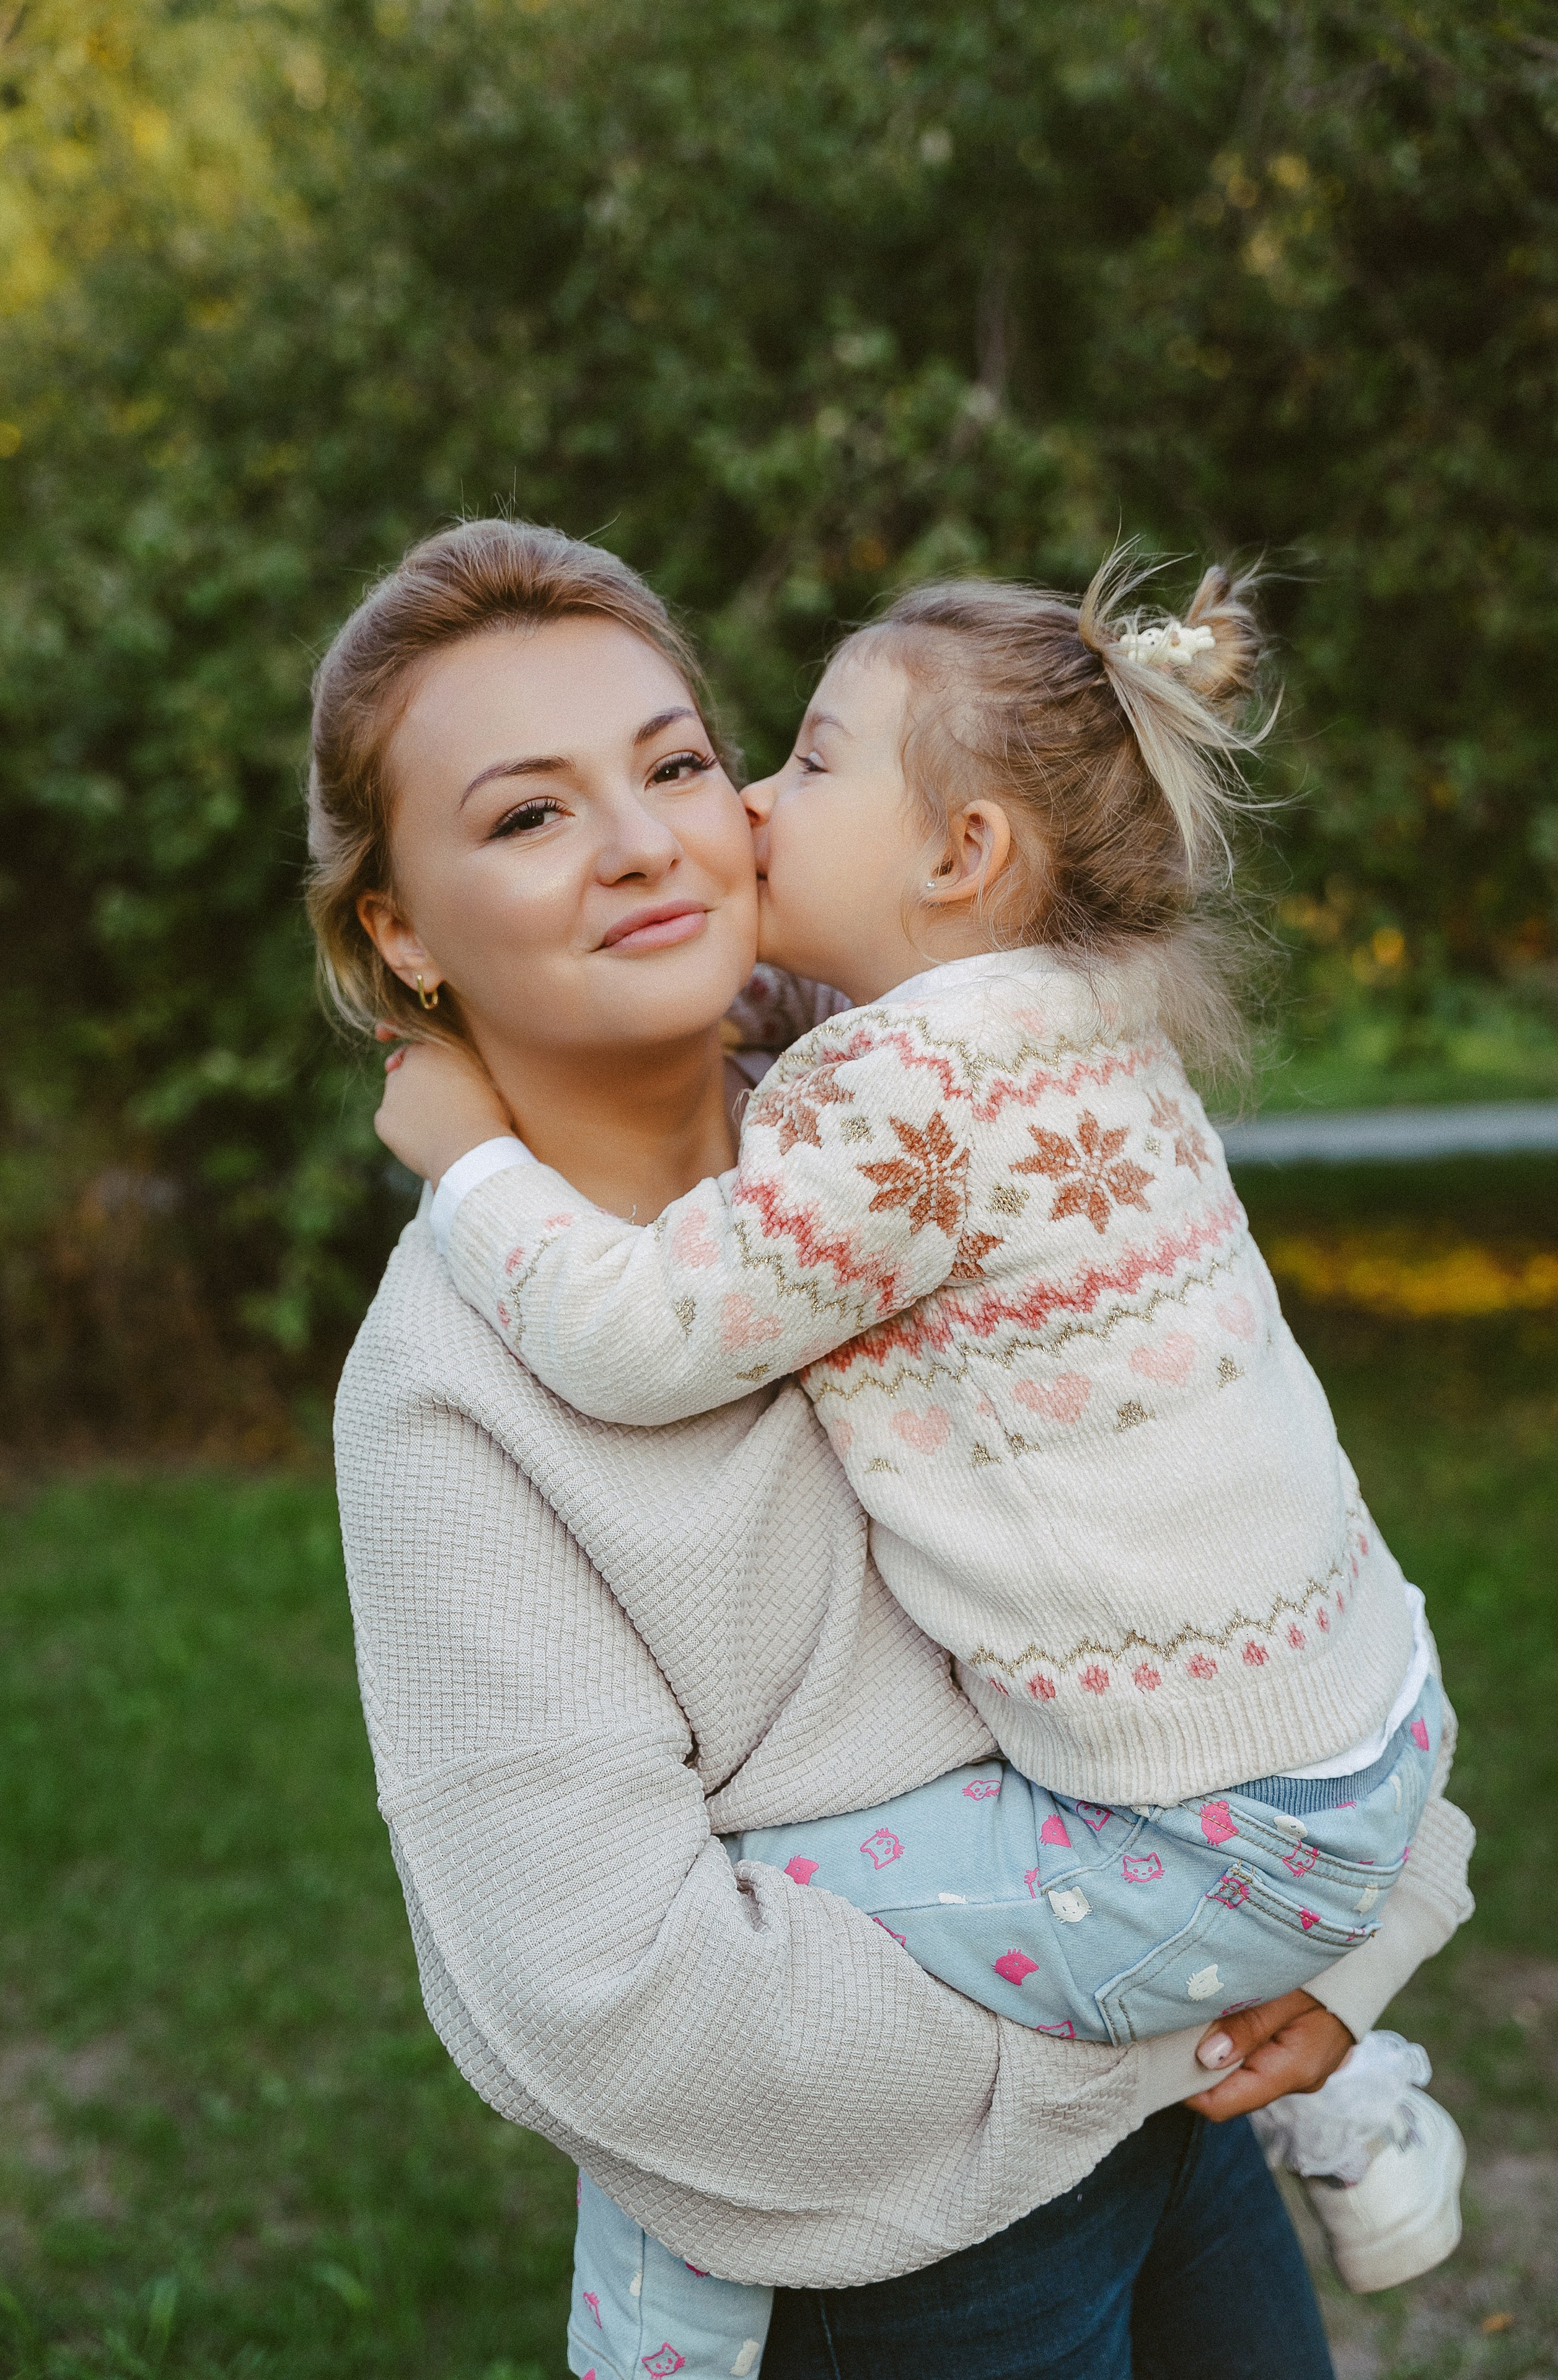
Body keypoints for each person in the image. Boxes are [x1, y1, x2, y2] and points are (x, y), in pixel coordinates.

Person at [314, 518, 1475, 2380]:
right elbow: (620, 2007)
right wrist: (1193, 1997)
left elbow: (1250, 1544)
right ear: (398, 930)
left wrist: (1352, 1930)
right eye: (528, 815)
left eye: (680, 765)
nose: (649, 841)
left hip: (1193, 2135)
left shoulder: (895, 1153)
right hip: (917, 2257)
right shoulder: (455, 1394)